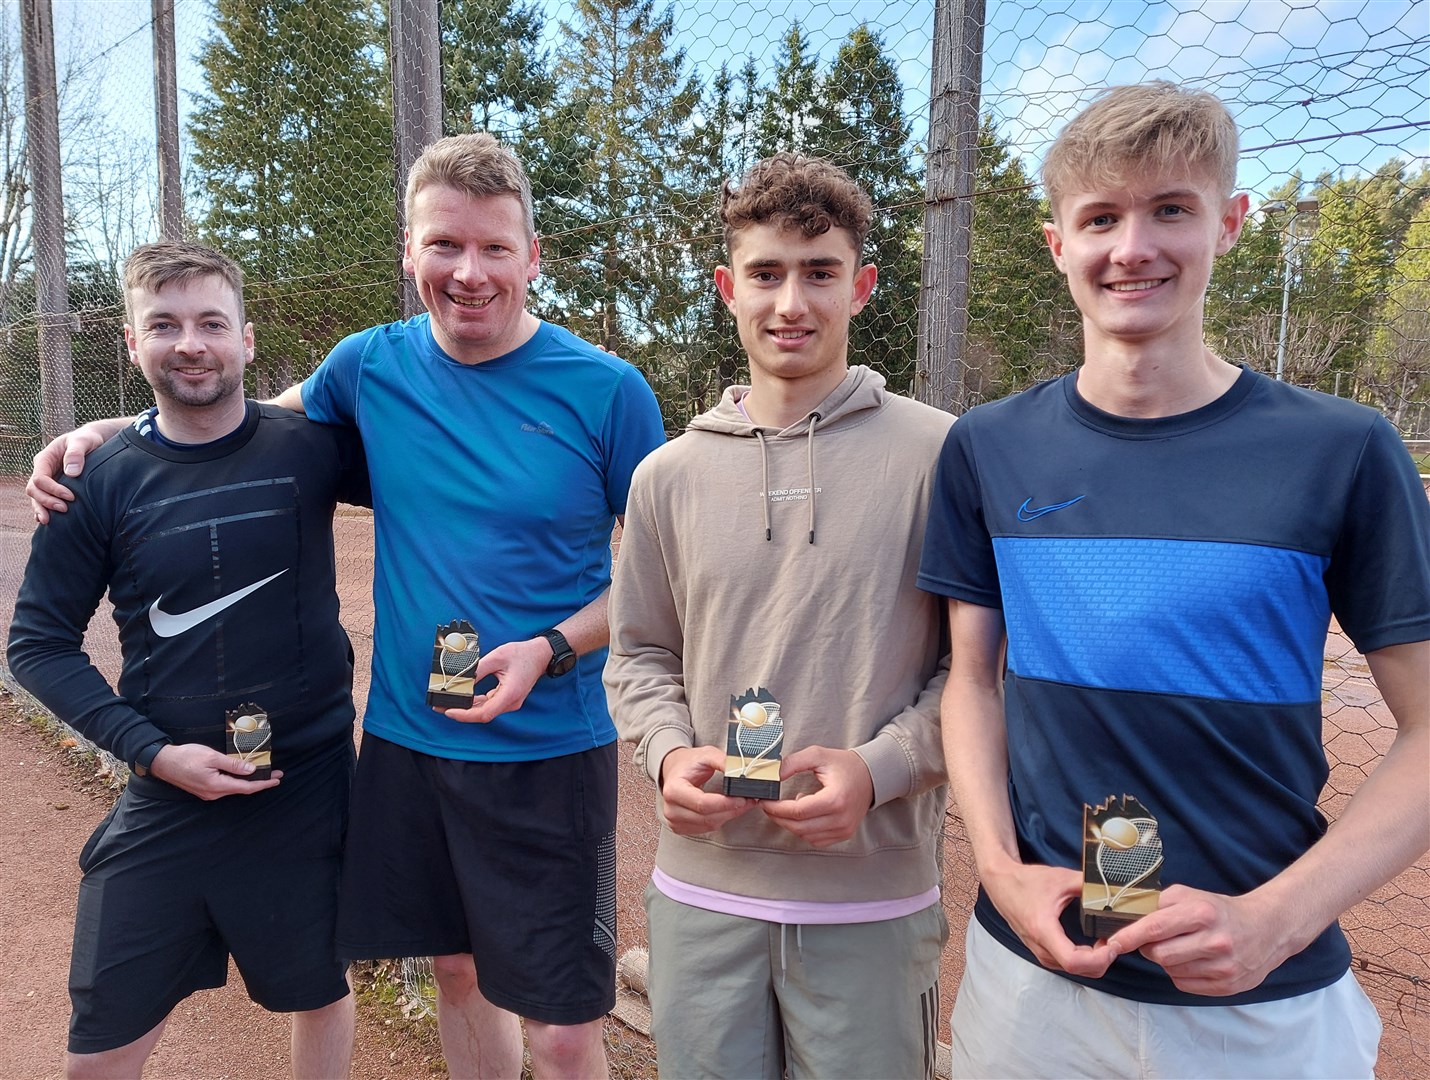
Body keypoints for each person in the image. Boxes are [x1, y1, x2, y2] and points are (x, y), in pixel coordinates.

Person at [917, 81, 1430, 1078]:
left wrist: (1275, 920)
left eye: (1169, 209)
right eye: (1099, 217)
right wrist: (999, 871)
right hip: (1035, 979)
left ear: (1229, 223)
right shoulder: (987, 448)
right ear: (1054, 241)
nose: (1131, 247)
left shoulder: (1343, 450)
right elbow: (969, 681)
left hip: (1259, 1000)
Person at [604, 153, 951, 1079]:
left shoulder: (941, 455)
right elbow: (639, 654)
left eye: (819, 272)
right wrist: (669, 754)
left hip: (871, 904)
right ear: (727, 288)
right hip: (701, 897)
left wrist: (880, 772)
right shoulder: (665, 477)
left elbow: (982, 670)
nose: (790, 302)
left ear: (862, 285)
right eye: (765, 273)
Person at [8, 241, 368, 1078]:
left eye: (212, 322)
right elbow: (36, 643)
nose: (191, 343)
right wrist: (155, 753)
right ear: (133, 346)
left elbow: (445, 478)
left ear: (246, 340)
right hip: (166, 794)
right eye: (163, 325)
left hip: (305, 787)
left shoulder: (311, 446)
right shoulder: (96, 481)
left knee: (317, 988)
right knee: (95, 1050)